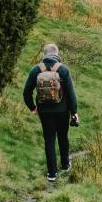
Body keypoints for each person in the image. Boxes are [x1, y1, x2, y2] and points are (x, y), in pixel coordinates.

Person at [23, 42, 79, 183]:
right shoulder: (63, 70)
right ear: (57, 54)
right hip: (62, 111)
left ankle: (52, 174)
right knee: (62, 136)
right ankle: (65, 165)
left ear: (44, 54)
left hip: (44, 111)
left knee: (49, 140)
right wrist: (74, 112)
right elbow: (71, 95)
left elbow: (26, 92)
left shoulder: (36, 70)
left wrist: (33, 107)